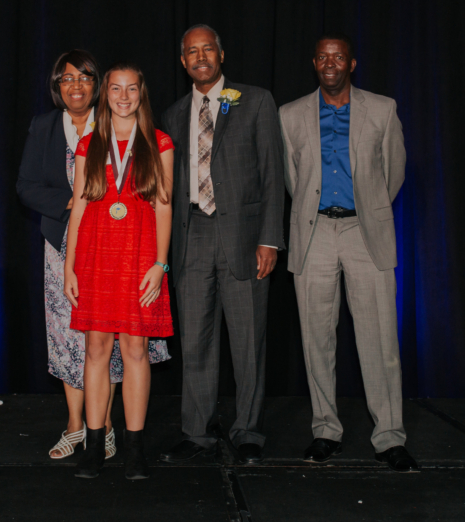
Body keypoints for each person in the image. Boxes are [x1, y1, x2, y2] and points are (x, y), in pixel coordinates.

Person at [278, 34, 418, 473]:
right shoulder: (290, 115)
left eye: (338, 57)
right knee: (316, 338)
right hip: (315, 232)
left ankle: (389, 437)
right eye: (323, 57)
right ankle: (326, 431)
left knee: (380, 339)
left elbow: (394, 171)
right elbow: (291, 178)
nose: (330, 63)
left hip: (364, 231)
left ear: (351, 64)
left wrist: (370, 210)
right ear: (314, 63)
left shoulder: (383, 109)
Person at [160, 24, 285, 465]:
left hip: (245, 239)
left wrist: (270, 239)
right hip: (191, 235)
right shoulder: (174, 114)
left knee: (248, 340)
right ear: (183, 62)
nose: (200, 57)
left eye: (207, 49)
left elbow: (273, 174)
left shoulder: (256, 100)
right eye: (192, 52)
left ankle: (248, 431)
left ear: (221, 54)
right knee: (195, 340)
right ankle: (197, 432)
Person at [64, 62, 174, 480]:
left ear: (141, 93)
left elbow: (164, 207)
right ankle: (94, 446)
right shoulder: (89, 143)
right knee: (95, 349)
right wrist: (70, 268)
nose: (123, 96)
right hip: (95, 259)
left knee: (135, 351)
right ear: (105, 94)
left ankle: (134, 449)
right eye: (115, 88)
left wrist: (160, 264)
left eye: (131, 89)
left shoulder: (159, 142)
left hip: (140, 259)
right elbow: (78, 210)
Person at [16, 50, 122, 461]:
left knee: (106, 337)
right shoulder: (43, 126)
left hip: (112, 245)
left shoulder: (115, 122)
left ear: (97, 84)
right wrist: (74, 203)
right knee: (66, 336)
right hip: (61, 244)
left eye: (84, 77)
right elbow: (26, 187)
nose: (76, 86)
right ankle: (76, 425)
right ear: (57, 87)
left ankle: (105, 426)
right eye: (67, 78)